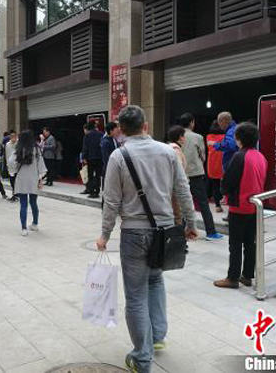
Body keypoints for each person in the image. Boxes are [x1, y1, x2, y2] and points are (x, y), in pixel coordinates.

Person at [96, 105, 198, 373]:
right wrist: (191, 223)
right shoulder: (168, 152)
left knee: (136, 296)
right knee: (155, 280)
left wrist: (105, 234)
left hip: (133, 233)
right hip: (164, 231)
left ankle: (142, 359)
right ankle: (157, 336)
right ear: (146, 126)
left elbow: (111, 201)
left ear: (121, 130)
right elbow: (183, 190)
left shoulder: (119, 156)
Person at [214, 122, 267, 289]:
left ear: (239, 139)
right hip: (255, 206)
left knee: (235, 243)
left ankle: (232, 278)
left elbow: (228, 182)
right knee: (250, 242)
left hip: (239, 205)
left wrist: (223, 189)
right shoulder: (260, 156)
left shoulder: (239, 156)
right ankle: (247, 276)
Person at [178, 113, 223, 241]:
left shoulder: (177, 135)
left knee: (181, 204)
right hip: (195, 174)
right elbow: (203, 156)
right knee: (203, 204)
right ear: (192, 122)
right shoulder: (197, 137)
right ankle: (211, 232)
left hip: (180, 174)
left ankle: (181, 231)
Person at [9, 130, 47, 236]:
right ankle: (35, 224)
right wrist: (40, 177)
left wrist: (14, 170)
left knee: (23, 204)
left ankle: (24, 228)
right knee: (33, 203)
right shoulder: (36, 149)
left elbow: (11, 161)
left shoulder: (18, 149)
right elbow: (41, 166)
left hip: (22, 178)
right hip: (33, 179)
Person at [206, 120, 225, 213]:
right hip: (222, 162)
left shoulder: (208, 137)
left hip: (211, 162)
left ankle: (216, 204)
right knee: (222, 184)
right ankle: (222, 201)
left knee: (214, 184)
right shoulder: (224, 137)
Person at [83, 120, 103, 199]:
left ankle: (91, 192)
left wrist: (84, 157)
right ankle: (97, 191)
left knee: (90, 175)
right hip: (99, 158)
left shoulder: (87, 135)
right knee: (98, 175)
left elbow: (85, 147)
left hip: (90, 158)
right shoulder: (101, 134)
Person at [4, 130, 18, 201]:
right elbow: (7, 154)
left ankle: (16, 194)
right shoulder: (7, 144)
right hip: (10, 165)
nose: (13, 138)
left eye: (14, 136)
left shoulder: (19, 143)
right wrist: (7, 163)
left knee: (17, 180)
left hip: (18, 165)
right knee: (12, 180)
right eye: (11, 136)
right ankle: (14, 193)